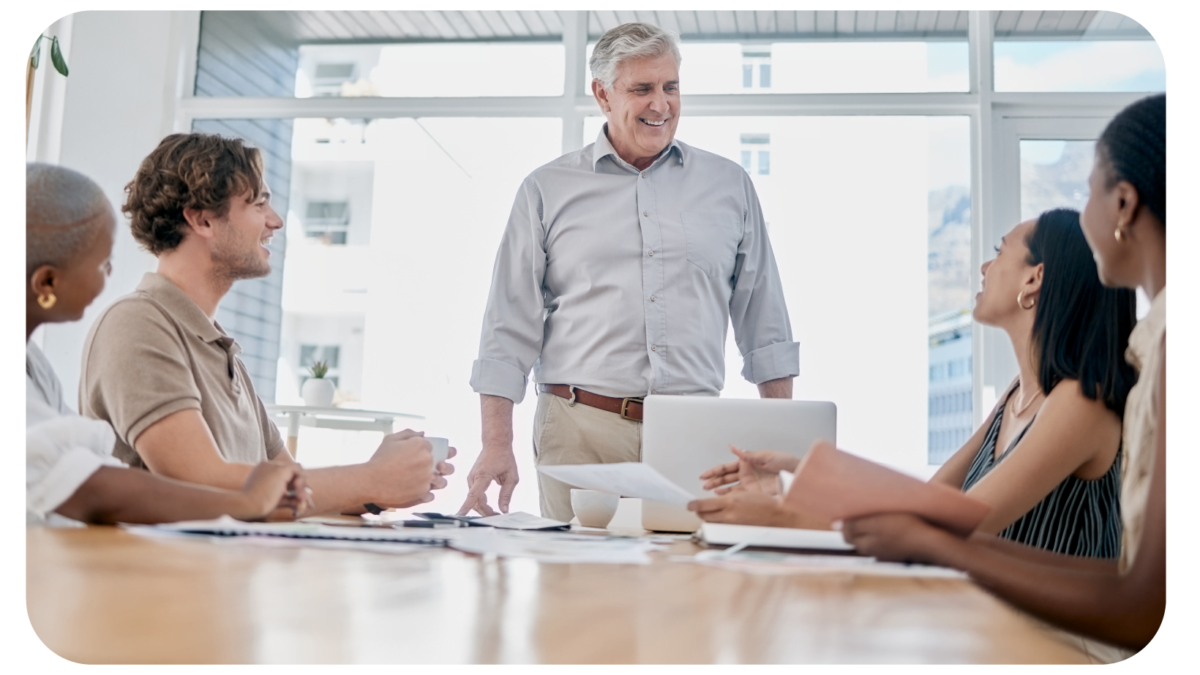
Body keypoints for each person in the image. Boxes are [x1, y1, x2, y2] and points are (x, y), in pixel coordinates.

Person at [841, 94, 1167, 657]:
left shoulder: (1098, 394)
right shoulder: (1025, 393)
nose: (987, 265)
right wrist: (800, 483)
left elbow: (1139, 602)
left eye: (1089, 188)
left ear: (1124, 202)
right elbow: (929, 508)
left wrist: (933, 544)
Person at [460, 23, 799, 521]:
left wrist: (778, 448)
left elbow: (764, 322)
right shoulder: (546, 190)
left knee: (686, 585)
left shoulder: (731, 185)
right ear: (602, 94)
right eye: (642, 89)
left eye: (671, 87)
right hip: (579, 430)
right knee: (574, 590)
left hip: (695, 433)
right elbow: (507, 327)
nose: (660, 104)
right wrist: (495, 444)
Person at [692, 209, 1136, 559]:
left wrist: (782, 516)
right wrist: (796, 473)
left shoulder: (1079, 403)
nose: (985, 266)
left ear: (1033, 279)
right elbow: (928, 501)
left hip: (1055, 642)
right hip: (996, 618)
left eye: (999, 252)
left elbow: (948, 526)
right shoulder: (1017, 397)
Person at [79, 134, 453, 517]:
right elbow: (199, 482)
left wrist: (382, 488)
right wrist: (370, 479)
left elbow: (289, 489)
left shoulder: (220, 350)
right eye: (259, 204)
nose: (275, 221)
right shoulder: (138, 324)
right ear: (203, 219)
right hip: (162, 576)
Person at [25, 163, 305, 527]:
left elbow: (90, 466)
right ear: (47, 283)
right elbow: (88, 486)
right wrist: (245, 501)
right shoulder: (135, 323)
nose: (110, 274)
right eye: (103, 263)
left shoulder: (35, 365)